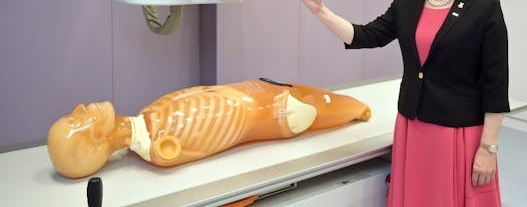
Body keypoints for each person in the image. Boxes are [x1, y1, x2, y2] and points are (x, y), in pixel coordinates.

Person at [299, 0, 509, 207]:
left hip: (458, 132)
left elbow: (496, 84)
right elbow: (365, 36)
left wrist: (488, 148)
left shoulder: (485, 5)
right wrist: (319, 9)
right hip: (414, 126)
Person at [47, 78, 371, 179]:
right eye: (76, 121)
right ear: (93, 147)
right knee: (317, 106)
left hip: (256, 90)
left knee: (316, 99)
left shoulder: (147, 116)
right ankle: (358, 109)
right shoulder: (160, 147)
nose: (79, 109)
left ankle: (357, 108)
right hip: (276, 112)